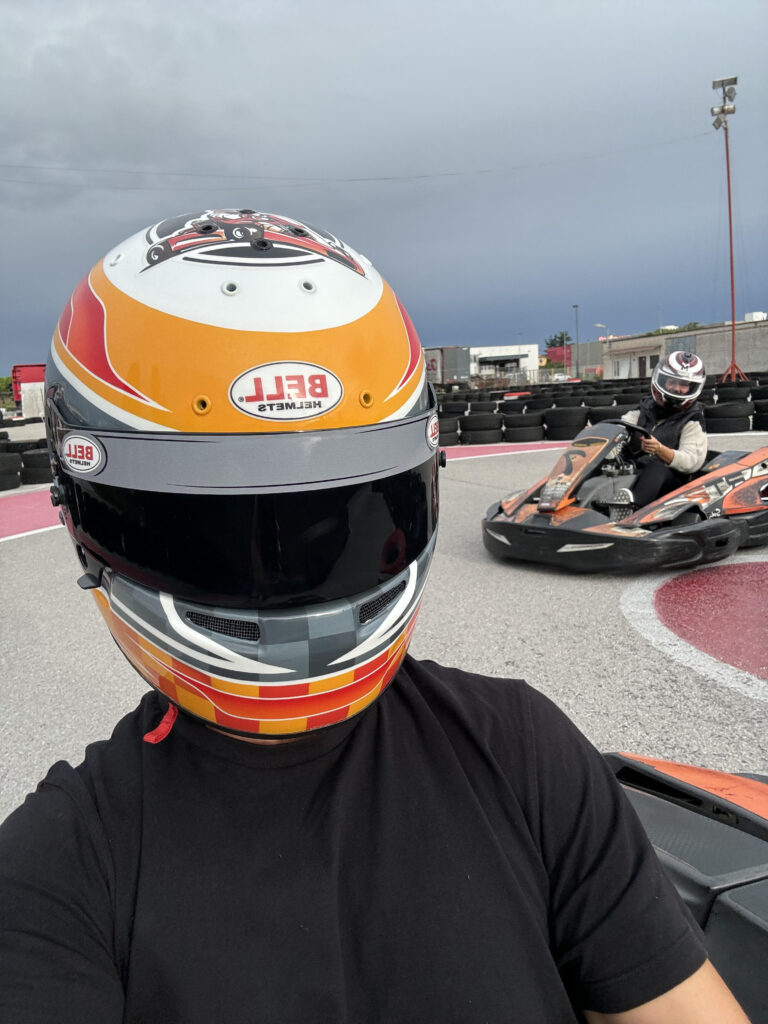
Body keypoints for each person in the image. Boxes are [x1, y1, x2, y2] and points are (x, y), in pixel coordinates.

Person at [0, 211, 748, 1024]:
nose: (288, 575)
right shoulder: (57, 871)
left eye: (342, 524)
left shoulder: (525, 753)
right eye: (212, 533)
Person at [616, 351, 708, 508]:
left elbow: (691, 461)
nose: (677, 389)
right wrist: (603, 435)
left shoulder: (693, 420)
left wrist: (659, 449)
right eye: (672, 382)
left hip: (672, 482)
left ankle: (632, 510)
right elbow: (622, 426)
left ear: (692, 387)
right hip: (636, 470)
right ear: (662, 380)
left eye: (684, 384)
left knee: (656, 467)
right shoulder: (644, 409)